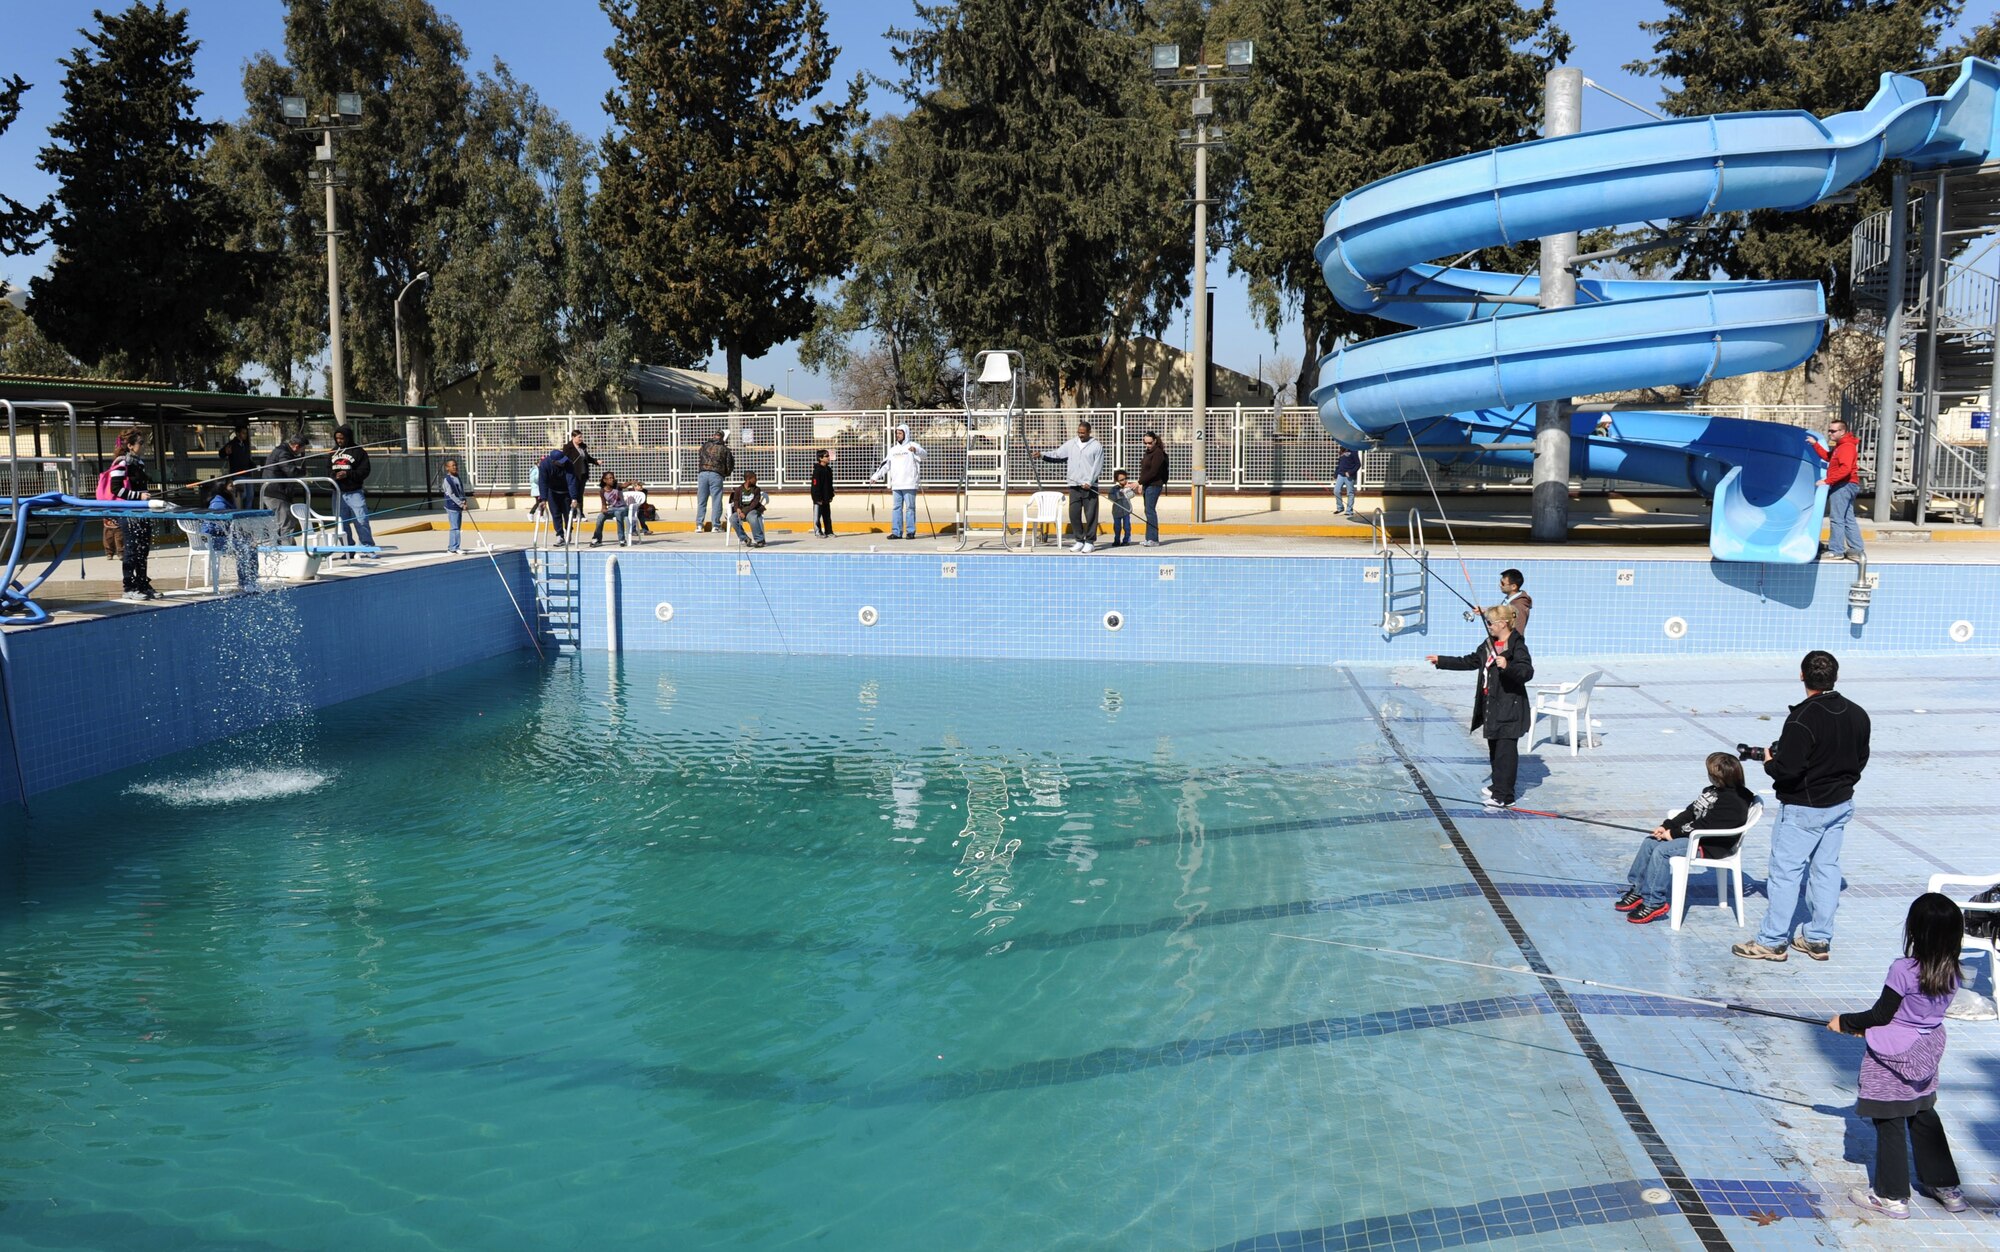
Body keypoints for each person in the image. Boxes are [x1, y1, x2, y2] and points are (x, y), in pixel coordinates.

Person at [1832, 893, 1968, 1218]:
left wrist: (1846, 1022)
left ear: (1914, 930)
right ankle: (1945, 1186)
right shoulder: (1953, 972)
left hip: (1891, 1055)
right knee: (1923, 1112)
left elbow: (1881, 1015)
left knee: (1889, 1116)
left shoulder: (1903, 969)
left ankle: (1891, 1196)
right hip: (1928, 1049)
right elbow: (1916, 1016)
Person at [1732, 649, 1871, 962]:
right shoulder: (1857, 713)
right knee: (1826, 870)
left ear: (1802, 675)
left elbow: (1788, 770)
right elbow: (1860, 759)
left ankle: (1772, 941)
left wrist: (1769, 763)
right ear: (1834, 676)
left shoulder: (1802, 719)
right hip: (1839, 805)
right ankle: (1818, 939)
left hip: (1803, 809)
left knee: (1785, 873)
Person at [1615, 752, 1758, 925]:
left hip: (1710, 845)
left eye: (1711, 774)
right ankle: (1639, 889)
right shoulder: (1712, 791)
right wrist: (1666, 826)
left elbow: (1704, 826)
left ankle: (1654, 902)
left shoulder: (1733, 801)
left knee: (1662, 851)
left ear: (1719, 777)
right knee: (1650, 842)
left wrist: (1673, 834)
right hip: (1697, 836)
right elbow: (1690, 812)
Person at [1427, 604, 1533, 809]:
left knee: (1505, 752)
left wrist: (1508, 666)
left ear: (1503, 623)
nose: (1488, 626)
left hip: (1510, 707)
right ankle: (1498, 785)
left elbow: (1527, 672)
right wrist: (1442, 661)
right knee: (1495, 748)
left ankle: (1505, 796)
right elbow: (1471, 661)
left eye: (1490, 623)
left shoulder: (1517, 645)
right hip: (1492, 706)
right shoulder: (1489, 643)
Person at [107, 429, 159, 602]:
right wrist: (139, 497)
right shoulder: (121, 463)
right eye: (140, 443)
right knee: (131, 550)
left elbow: (140, 487)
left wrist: (146, 497)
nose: (143, 446)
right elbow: (116, 489)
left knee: (143, 548)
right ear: (130, 446)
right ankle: (129, 586)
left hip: (142, 512)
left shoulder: (140, 463)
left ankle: (143, 583)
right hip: (128, 512)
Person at [1040, 419, 1105, 553]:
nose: (1080, 435)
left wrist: (1090, 481)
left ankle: (1090, 541)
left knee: (1091, 514)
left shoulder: (1096, 446)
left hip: (1089, 486)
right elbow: (1057, 454)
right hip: (1074, 485)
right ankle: (1079, 540)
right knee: (1074, 514)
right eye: (1079, 432)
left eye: (1083, 433)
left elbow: (1097, 466)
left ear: (1089, 432)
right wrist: (1042, 455)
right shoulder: (1072, 443)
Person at [1812, 418, 1865, 561]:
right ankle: (1857, 549)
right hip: (1848, 485)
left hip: (1843, 485)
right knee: (1848, 518)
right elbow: (1828, 457)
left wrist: (1827, 481)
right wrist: (1815, 445)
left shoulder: (1846, 447)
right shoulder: (1840, 446)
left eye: (1833, 431)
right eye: (1829, 430)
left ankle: (1836, 550)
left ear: (1842, 431)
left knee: (1837, 519)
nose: (1829, 433)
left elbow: (1846, 469)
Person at [868, 424, 925, 540]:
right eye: (897, 433)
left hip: (909, 484)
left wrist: (916, 450)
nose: (897, 435)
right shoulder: (892, 450)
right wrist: (875, 476)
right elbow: (885, 465)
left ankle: (910, 532)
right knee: (896, 508)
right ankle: (897, 532)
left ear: (905, 433)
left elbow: (925, 454)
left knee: (910, 508)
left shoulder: (912, 446)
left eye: (900, 433)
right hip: (896, 485)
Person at [201, 480, 259, 592]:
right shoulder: (218, 504)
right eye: (231, 486)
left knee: (251, 546)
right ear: (223, 488)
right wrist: (235, 535)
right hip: (213, 539)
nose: (234, 488)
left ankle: (251, 580)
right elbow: (216, 528)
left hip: (222, 537)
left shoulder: (226, 501)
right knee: (244, 547)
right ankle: (245, 582)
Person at [328, 426, 375, 554]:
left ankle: (367, 547)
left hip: (354, 492)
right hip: (338, 493)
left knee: (361, 520)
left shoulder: (359, 452)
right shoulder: (333, 452)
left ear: (348, 437)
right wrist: (334, 476)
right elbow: (328, 470)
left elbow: (364, 471)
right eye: (337, 438)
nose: (339, 441)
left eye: (342, 438)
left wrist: (348, 474)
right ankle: (348, 550)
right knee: (341, 523)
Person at [261, 431, 308, 538]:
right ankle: (289, 550)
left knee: (278, 524)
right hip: (277, 493)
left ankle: (280, 548)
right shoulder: (284, 453)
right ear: (296, 446)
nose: (303, 451)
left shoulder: (280, 450)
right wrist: (303, 472)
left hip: (271, 491)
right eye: (302, 449)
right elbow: (290, 471)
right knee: (286, 524)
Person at [536, 442, 575, 544]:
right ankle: (559, 535)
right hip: (552, 491)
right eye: (560, 462)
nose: (562, 463)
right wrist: (543, 499)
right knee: (556, 513)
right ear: (553, 461)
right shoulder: (545, 465)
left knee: (567, 514)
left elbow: (571, 480)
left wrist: (574, 497)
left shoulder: (568, 463)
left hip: (566, 492)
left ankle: (568, 532)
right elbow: (543, 482)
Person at [695, 429, 733, 533]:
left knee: (701, 501)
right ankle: (715, 525)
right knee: (716, 500)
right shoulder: (724, 449)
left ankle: (699, 525)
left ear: (713, 436)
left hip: (702, 474)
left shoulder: (705, 445)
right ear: (722, 437)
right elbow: (729, 464)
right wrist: (725, 474)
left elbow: (700, 456)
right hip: (716, 474)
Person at [98, 433, 127, 562]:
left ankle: (109, 552)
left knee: (108, 530)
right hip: (118, 502)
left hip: (107, 501)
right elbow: (117, 487)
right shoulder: (124, 463)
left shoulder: (114, 464)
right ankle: (120, 551)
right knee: (119, 530)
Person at [1137, 430, 1168, 546]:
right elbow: (1145, 471)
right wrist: (1141, 484)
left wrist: (1138, 482)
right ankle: (1149, 538)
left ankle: (1154, 539)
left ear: (1155, 441)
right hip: (1147, 485)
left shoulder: (1158, 453)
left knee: (1150, 511)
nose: (1148, 445)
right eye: (1145, 443)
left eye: (1150, 443)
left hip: (1154, 485)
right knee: (1148, 511)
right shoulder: (1148, 453)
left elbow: (1153, 472)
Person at [729, 471, 768, 547]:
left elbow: (754, 503)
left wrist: (744, 512)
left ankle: (760, 540)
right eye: (755, 478)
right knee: (732, 519)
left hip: (754, 510)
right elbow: (736, 500)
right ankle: (745, 538)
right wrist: (737, 509)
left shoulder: (757, 490)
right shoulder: (739, 490)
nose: (756, 480)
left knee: (751, 517)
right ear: (748, 479)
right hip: (742, 511)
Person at [590, 471, 629, 546]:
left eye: (612, 478)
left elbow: (624, 485)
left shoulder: (617, 486)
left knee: (618, 513)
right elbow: (604, 505)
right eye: (610, 478)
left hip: (623, 509)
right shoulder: (602, 491)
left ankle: (622, 540)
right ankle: (597, 539)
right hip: (612, 509)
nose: (612, 479)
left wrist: (630, 482)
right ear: (605, 480)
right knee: (600, 517)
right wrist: (603, 509)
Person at [440, 458, 468, 554]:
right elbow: (451, 495)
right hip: (452, 506)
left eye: (455, 465)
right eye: (452, 466)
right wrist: (460, 504)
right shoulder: (447, 480)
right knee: (455, 527)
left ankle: (454, 546)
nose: (455, 467)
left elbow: (460, 491)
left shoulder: (457, 477)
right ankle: (454, 547)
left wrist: (464, 500)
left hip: (459, 506)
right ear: (447, 468)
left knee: (457, 527)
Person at [810, 448, 836, 537]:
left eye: (829, 456)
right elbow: (815, 486)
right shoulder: (817, 471)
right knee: (817, 516)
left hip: (826, 497)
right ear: (820, 458)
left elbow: (830, 484)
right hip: (819, 498)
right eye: (827, 456)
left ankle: (829, 531)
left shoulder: (828, 470)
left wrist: (831, 494)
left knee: (827, 516)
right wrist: (817, 498)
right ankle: (818, 532)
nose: (829, 458)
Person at [1108, 469, 1136, 547]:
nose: (1124, 481)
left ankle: (1126, 540)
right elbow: (1111, 498)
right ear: (1117, 480)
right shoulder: (1114, 489)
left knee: (1126, 526)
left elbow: (1132, 495)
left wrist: (1128, 489)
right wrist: (1121, 491)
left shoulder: (1127, 487)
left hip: (1126, 510)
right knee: (1117, 527)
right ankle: (1117, 540)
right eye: (1121, 480)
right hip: (1117, 511)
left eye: (1125, 479)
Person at [1333, 445, 1362, 519]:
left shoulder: (1353, 450)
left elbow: (1358, 464)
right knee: (1336, 491)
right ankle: (1340, 508)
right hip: (1340, 474)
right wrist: (1336, 474)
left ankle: (1349, 511)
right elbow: (1339, 464)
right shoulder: (1341, 450)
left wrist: (1350, 472)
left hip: (1349, 475)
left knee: (1350, 493)